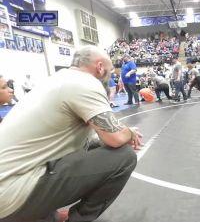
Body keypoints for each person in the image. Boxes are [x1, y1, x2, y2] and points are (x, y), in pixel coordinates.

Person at [0, 46, 142, 222]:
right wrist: (128, 132)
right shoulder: (85, 83)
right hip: (12, 193)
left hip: (8, 183)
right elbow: (117, 138)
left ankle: (44, 214)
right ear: (100, 67)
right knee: (124, 157)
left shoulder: (55, 80)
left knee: (92, 145)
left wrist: (120, 133)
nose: (111, 75)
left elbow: (92, 139)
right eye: (110, 70)